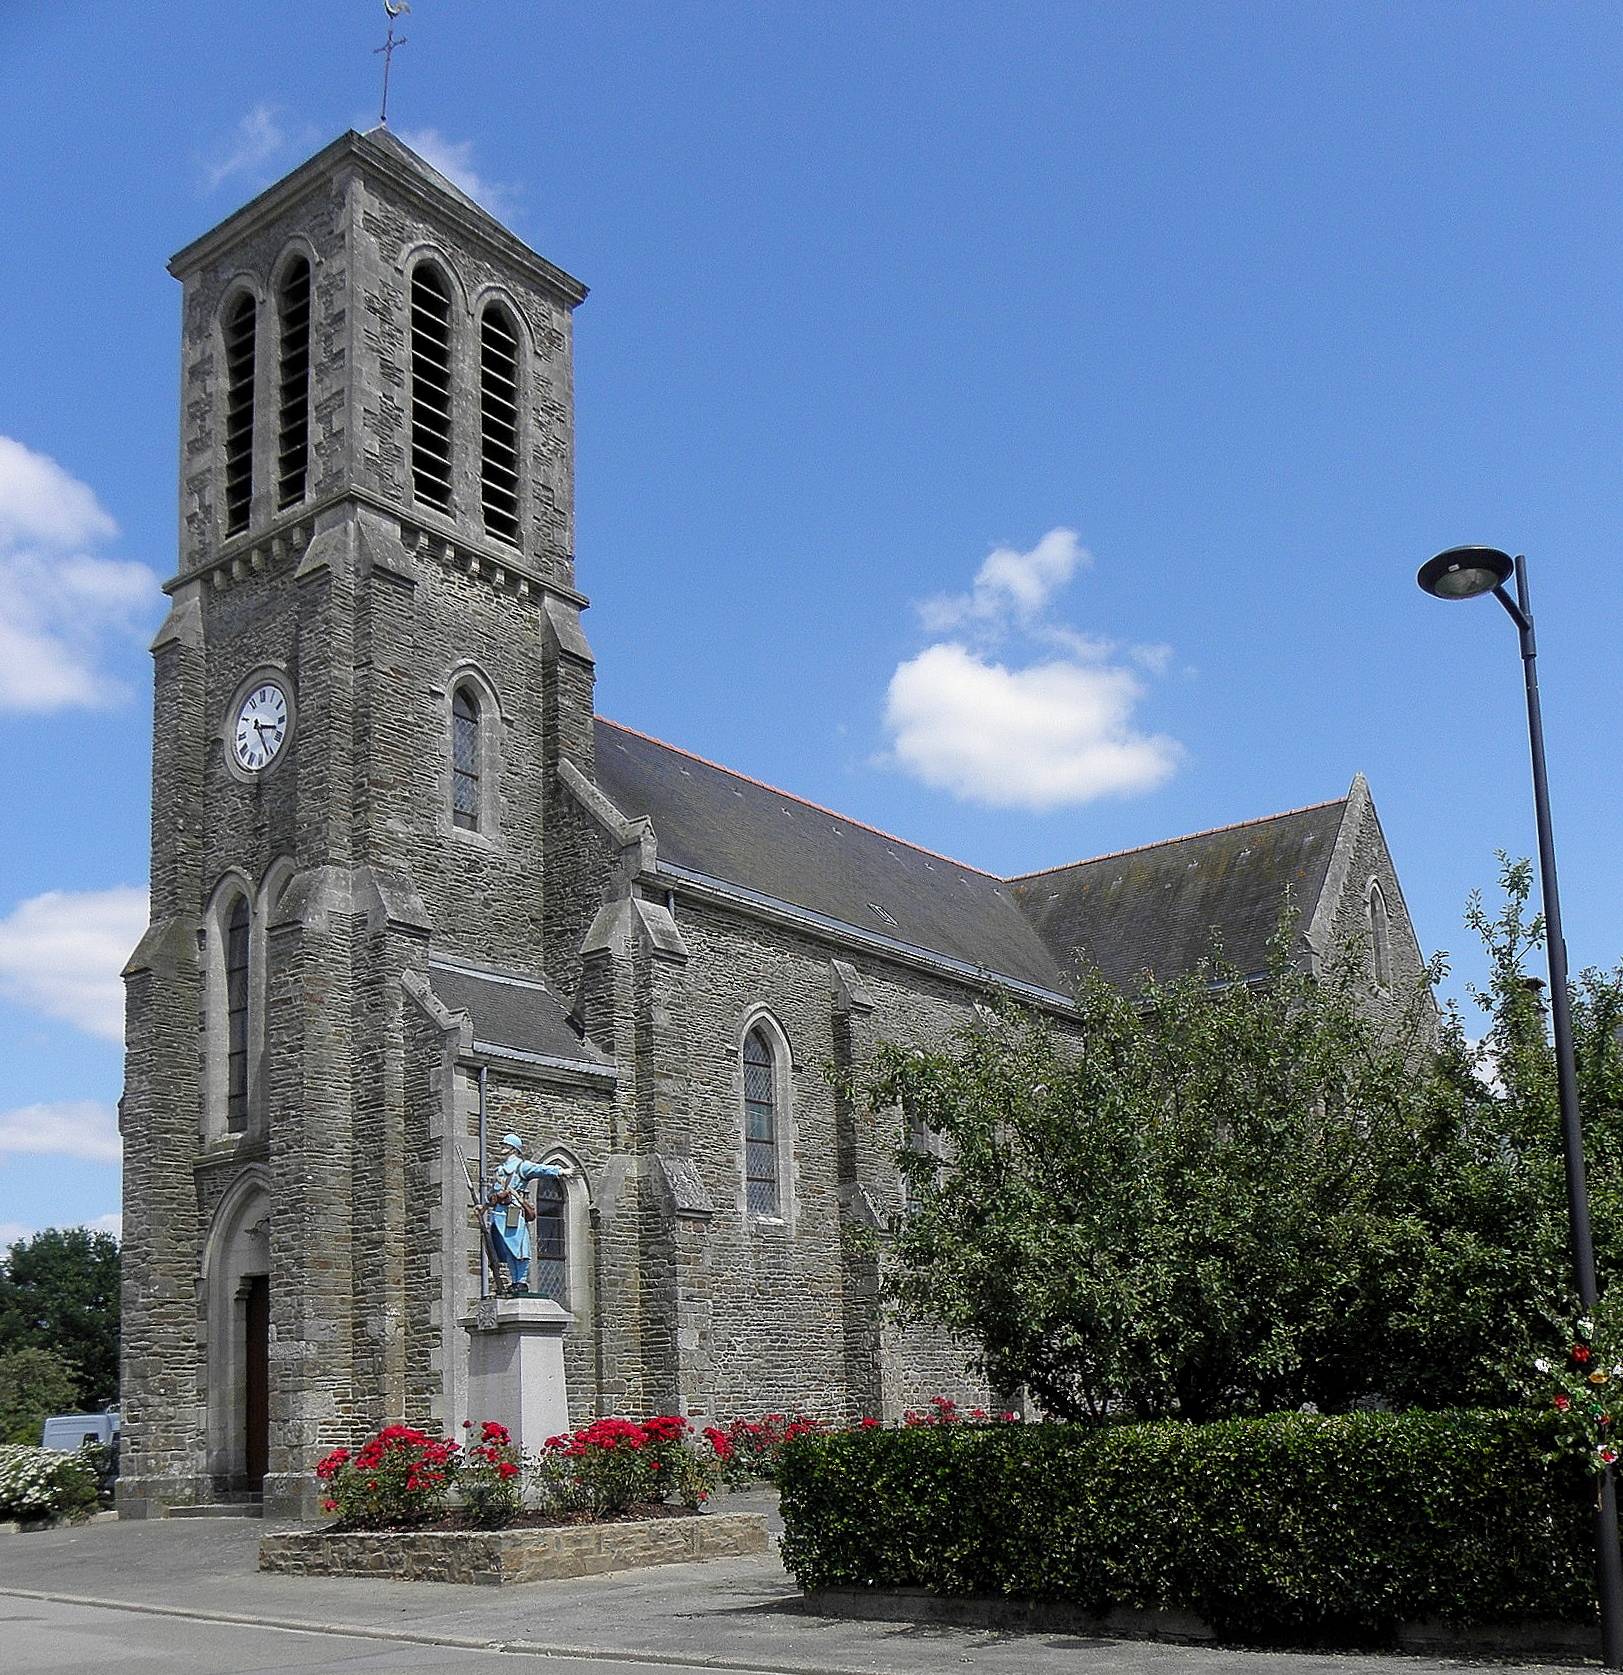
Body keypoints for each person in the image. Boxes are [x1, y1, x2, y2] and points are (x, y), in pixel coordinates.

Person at [481, 1133, 572, 1296]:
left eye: (505, 1145)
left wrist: (560, 1171)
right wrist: (485, 1205)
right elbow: (493, 1193)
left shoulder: (522, 1166)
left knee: (521, 1249)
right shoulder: (500, 1171)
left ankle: (520, 1281)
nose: (502, 1147)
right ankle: (514, 1281)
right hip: (500, 1214)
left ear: (513, 1148)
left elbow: (541, 1169)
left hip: (514, 1212)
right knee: (508, 1249)